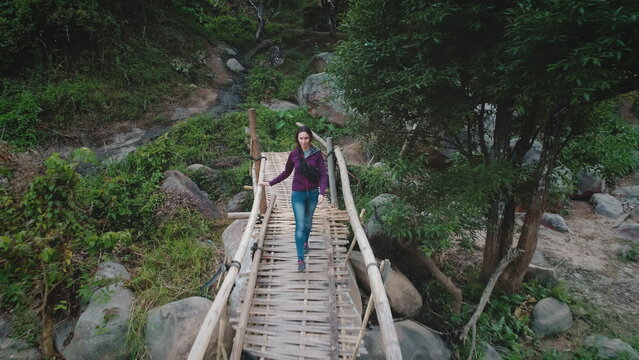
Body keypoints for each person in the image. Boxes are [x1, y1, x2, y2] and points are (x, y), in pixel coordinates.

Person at [260, 126, 328, 271]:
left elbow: (323, 174)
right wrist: (271, 182)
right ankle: (300, 259)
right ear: (297, 139)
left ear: (310, 138)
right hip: (298, 194)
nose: (303, 141)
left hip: (313, 194)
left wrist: (322, 192)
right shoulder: (294, 154)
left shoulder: (317, 155)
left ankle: (305, 242)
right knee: (300, 225)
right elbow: (286, 172)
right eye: (301, 138)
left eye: (306, 138)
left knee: (308, 223)